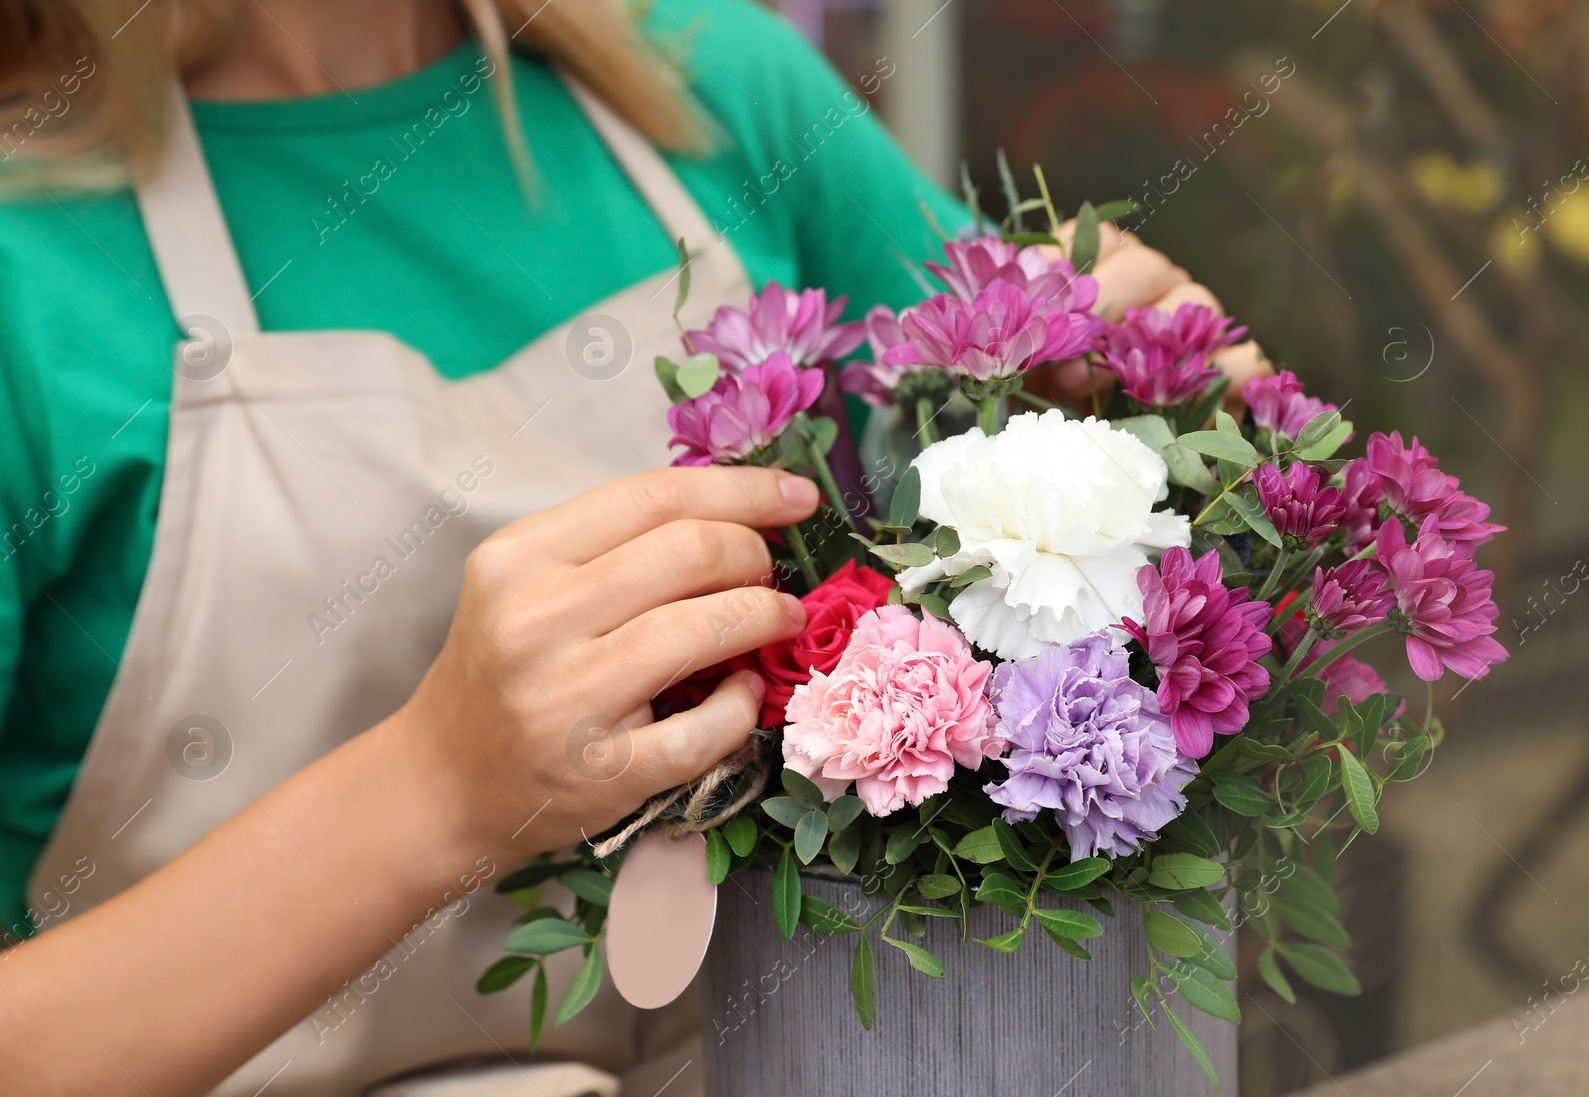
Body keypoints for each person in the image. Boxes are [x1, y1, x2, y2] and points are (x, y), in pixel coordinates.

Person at [0, 1, 1269, 1094]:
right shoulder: (27, 262)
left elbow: (1017, 470)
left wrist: (1144, 429)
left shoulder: (712, 89)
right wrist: (436, 792)